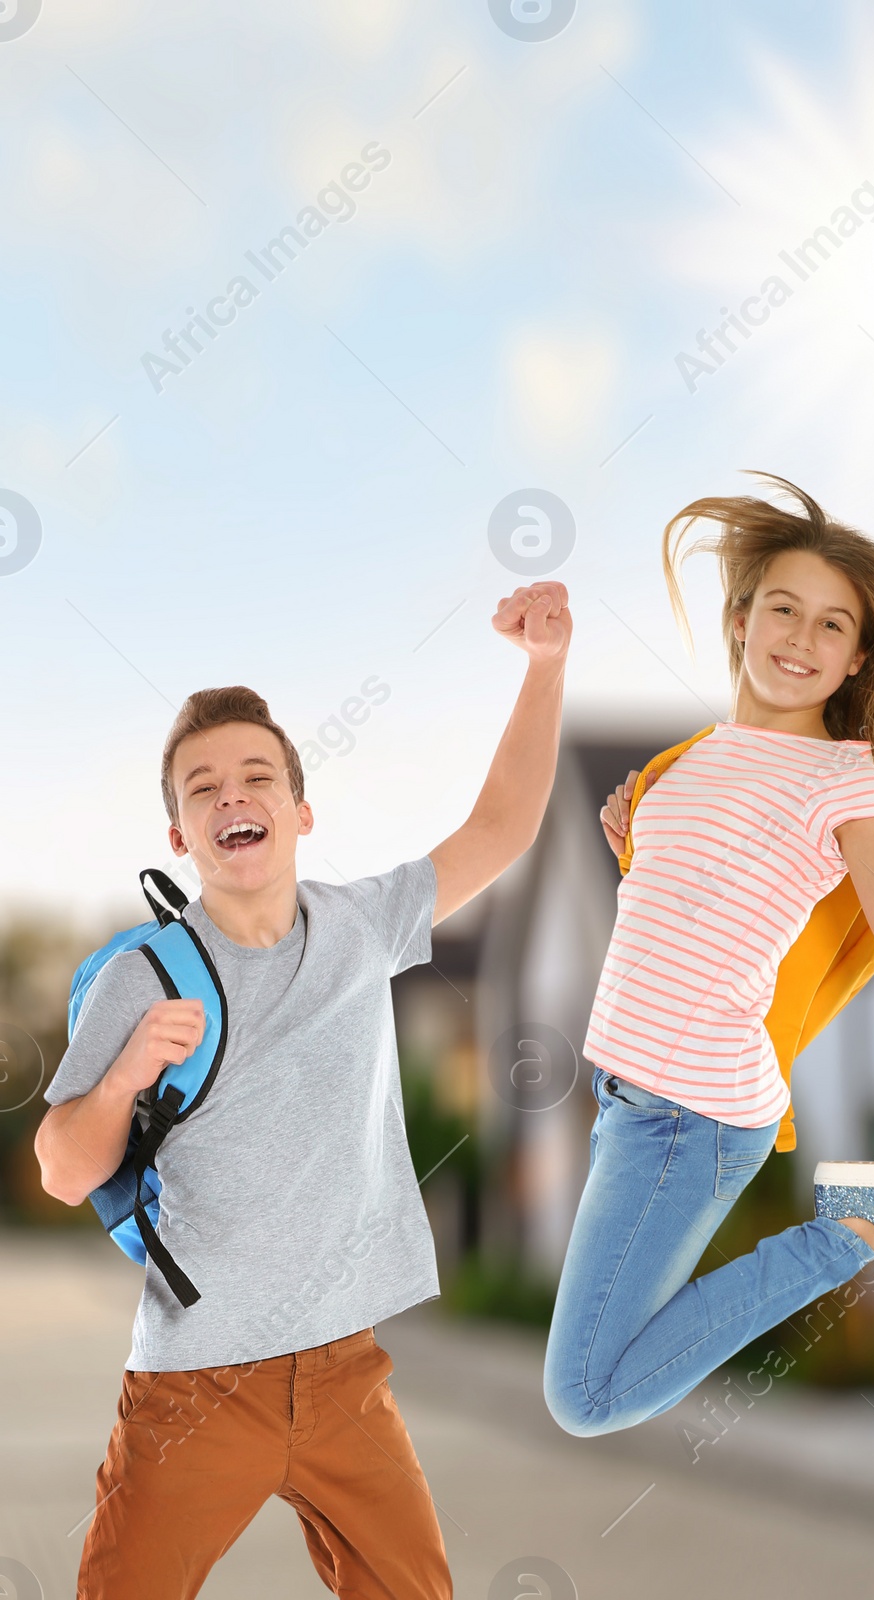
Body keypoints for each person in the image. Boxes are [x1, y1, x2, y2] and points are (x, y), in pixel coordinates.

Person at [35, 582, 572, 1600]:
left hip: (342, 1374)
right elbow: (63, 1170)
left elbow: (500, 828)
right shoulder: (141, 977)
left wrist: (544, 668)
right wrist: (125, 1074)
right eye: (203, 788)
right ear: (180, 835)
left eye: (256, 776)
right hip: (196, 1382)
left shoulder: (364, 927)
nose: (233, 795)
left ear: (299, 810)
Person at [543, 474, 874, 1438]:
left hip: (693, 1114)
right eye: (783, 609)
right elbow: (697, 908)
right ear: (740, 620)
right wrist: (632, 843)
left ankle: (858, 1229)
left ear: (858, 660)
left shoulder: (850, 788)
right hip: (627, 1101)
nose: (799, 640)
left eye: (830, 627)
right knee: (592, 1375)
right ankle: (860, 1219)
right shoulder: (684, 760)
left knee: (587, 1395)